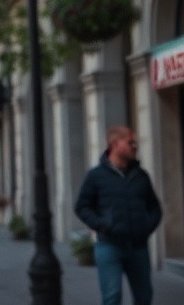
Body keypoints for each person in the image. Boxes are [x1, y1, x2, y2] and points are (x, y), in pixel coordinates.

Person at [75, 125, 162, 305]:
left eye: (135, 142)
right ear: (115, 144)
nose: (135, 146)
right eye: (130, 142)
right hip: (109, 247)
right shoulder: (96, 176)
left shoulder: (141, 176)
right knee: (112, 297)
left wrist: (146, 227)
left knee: (144, 297)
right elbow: (82, 206)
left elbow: (155, 208)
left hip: (138, 247)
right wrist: (102, 225)